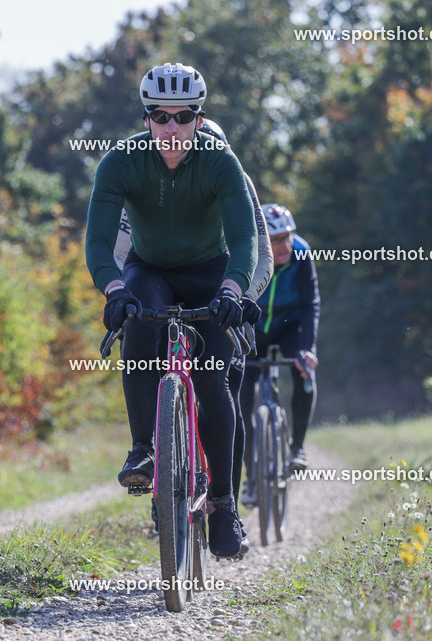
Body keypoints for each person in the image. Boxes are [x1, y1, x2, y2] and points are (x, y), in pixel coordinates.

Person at [85, 62, 258, 558]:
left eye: (183, 116)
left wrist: (232, 289)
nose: (172, 128)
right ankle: (144, 450)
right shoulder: (120, 162)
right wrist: (114, 289)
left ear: (199, 119)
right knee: (139, 319)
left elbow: (246, 239)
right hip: (150, 269)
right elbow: (98, 241)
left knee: (211, 380)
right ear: (146, 120)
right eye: (160, 117)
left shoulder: (220, 161)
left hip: (210, 272)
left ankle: (223, 506)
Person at [112, 118, 273, 508]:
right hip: (159, 279)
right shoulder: (149, 179)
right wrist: (121, 296)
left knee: (220, 387)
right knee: (142, 342)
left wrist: (243, 296)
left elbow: (261, 252)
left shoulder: (237, 182)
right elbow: (120, 250)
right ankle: (152, 453)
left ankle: (223, 503)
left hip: (220, 286)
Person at [239, 204, 320, 507]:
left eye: (287, 237)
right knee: (239, 397)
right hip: (254, 327)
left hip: (290, 325)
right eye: (275, 240)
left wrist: (308, 349)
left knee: (304, 370)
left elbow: (311, 303)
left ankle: (297, 447)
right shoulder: (248, 255)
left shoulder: (301, 253)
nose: (284, 245)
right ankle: (249, 474)